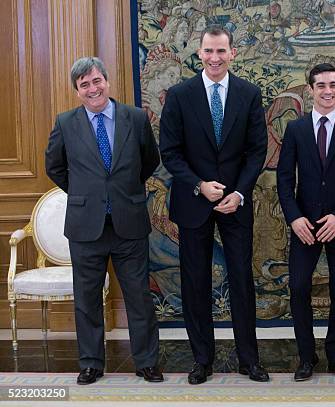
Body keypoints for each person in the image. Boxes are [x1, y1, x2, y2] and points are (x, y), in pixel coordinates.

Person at [159, 25, 269, 384]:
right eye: (208, 51)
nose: (215, 58)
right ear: (199, 53)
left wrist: (237, 193)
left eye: (221, 51)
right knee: (196, 282)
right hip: (195, 203)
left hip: (236, 204)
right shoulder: (179, 95)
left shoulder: (250, 94)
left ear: (232, 53)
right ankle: (201, 360)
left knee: (241, 280)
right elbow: (170, 153)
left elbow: (257, 152)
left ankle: (248, 359)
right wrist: (199, 186)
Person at [45, 57, 162, 384]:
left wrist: (122, 191)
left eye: (97, 81)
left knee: (138, 296)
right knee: (86, 299)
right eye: (85, 85)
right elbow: (54, 166)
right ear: (77, 91)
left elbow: (149, 160)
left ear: (106, 82)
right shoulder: (66, 122)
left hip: (129, 223)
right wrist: (85, 193)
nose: (92, 88)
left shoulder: (135, 118)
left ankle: (146, 362)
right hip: (86, 227)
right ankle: (91, 364)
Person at [277, 63, 335, 382]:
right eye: (321, 86)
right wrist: (294, 218)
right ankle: (306, 356)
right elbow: (285, 179)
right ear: (310, 90)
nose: (327, 91)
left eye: (333, 85)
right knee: (299, 286)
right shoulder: (296, 129)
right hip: (305, 224)